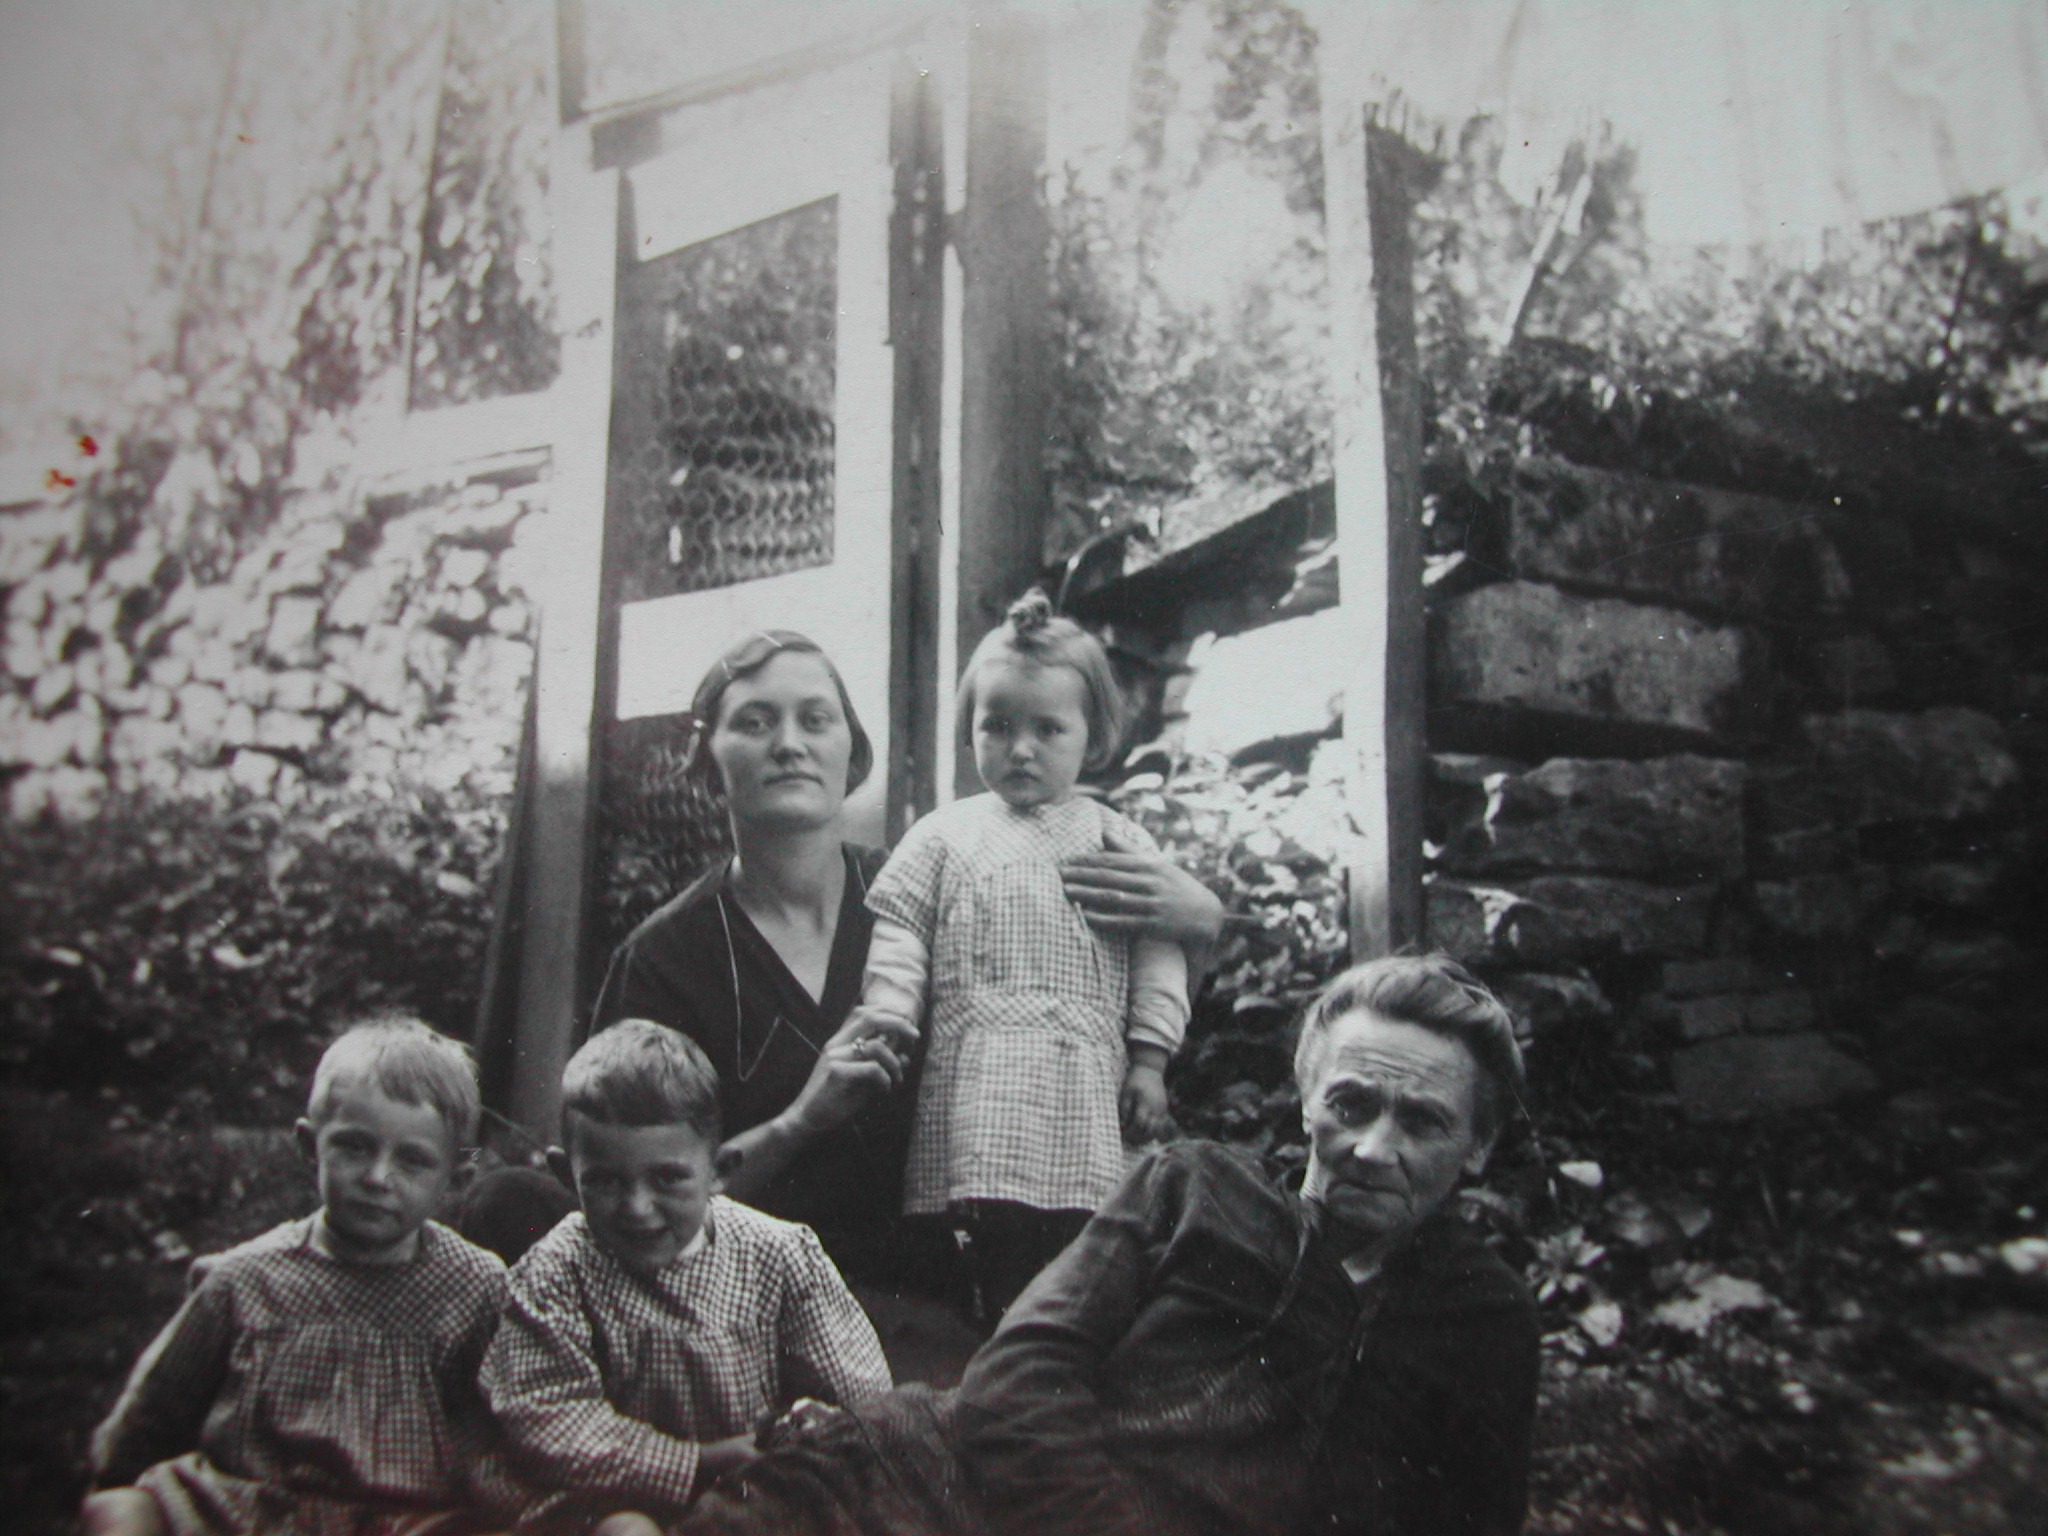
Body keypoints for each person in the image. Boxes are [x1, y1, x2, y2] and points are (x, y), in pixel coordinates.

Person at [673, 953, 1542, 1536]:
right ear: (1307, 1100)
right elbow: (1015, 1382)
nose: (1374, 1148)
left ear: (1478, 1145)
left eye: (1423, 1122)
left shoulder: (1478, 1316)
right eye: (1351, 1105)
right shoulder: (1194, 1188)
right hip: (930, 1488)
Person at [588, 628, 1223, 1315]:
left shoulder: (947, 893)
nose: (790, 744)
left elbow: (1109, 1006)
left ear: (852, 752)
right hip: (745, 1302)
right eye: (755, 722)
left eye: (815, 719)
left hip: (940, 1297)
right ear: (708, 759)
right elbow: (631, 1211)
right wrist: (799, 1121)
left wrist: (1199, 925)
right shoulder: (664, 961)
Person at [857, 590, 1190, 1325]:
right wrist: (888, 1013)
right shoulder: (944, 835)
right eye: (998, 726)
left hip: (1084, 1084)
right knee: (995, 1246)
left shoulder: (1116, 839)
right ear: (969, 728)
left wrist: (1150, 1059)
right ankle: (1000, 1347)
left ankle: (1062, 1359)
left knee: (1086, 1246)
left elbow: (1159, 952)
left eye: (1048, 729)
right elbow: (900, 934)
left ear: (1091, 737)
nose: (1021, 749)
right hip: (981, 1081)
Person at [84, 1018, 516, 1536]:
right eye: (354, 1147)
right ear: (310, 1145)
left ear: (456, 1179)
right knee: (120, 1511)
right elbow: (153, 1412)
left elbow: (507, 1430)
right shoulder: (245, 1278)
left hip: (403, 1522)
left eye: (412, 1161)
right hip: (246, 1515)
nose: (378, 1177)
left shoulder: (475, 1287)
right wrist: (118, 1477)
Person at [480, 1020, 891, 1536]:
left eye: (667, 1178)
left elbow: (862, 1396)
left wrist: (803, 1429)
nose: (637, 1207)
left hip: (756, 1481)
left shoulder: (780, 1253)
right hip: (605, 1491)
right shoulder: (557, 1272)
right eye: (605, 1181)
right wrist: (697, 1460)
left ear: (720, 1169)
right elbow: (547, 1419)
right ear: (566, 1175)